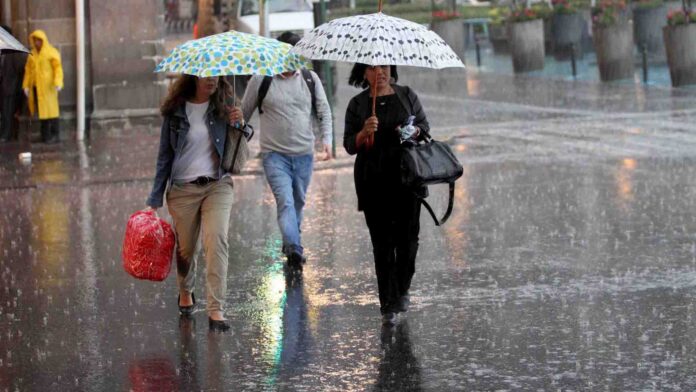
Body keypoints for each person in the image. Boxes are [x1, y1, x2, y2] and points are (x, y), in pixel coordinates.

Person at [145, 74, 252, 332]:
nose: (212, 80)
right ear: (193, 78)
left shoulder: (225, 103)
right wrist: (154, 199)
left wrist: (240, 123)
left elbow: (243, 139)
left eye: (216, 75)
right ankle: (186, 290)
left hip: (217, 185)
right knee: (186, 249)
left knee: (217, 240)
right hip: (183, 189)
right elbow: (164, 157)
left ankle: (216, 309)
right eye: (206, 76)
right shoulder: (176, 111)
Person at [235, 31, 333, 273]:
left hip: (304, 154)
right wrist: (235, 123)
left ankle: (291, 243)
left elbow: (324, 111)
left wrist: (327, 141)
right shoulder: (262, 80)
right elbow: (244, 113)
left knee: (298, 202)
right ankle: (294, 247)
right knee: (286, 203)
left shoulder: (310, 79)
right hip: (274, 155)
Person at [343, 64, 429, 327]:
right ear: (364, 74)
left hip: (407, 179)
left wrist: (413, 131)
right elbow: (349, 145)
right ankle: (388, 304)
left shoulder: (407, 95)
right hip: (373, 181)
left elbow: (424, 127)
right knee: (382, 244)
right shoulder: (358, 104)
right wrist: (363, 133)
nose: (380, 71)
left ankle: (402, 289)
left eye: (385, 66)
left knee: (408, 242)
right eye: (372, 68)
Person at [22, 29, 63, 143]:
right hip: (37, 88)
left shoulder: (51, 52)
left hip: (49, 87)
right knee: (42, 112)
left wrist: (58, 82)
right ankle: (45, 135)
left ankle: (55, 134)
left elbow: (57, 68)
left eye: (39, 41)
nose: (36, 43)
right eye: (35, 41)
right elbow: (28, 71)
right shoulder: (32, 55)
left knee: (52, 112)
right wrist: (26, 85)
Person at [0, 25, 27, 142]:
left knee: (7, 112)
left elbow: (20, 70)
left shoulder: (15, 51)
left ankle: (7, 135)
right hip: (3, 86)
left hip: (10, 86)